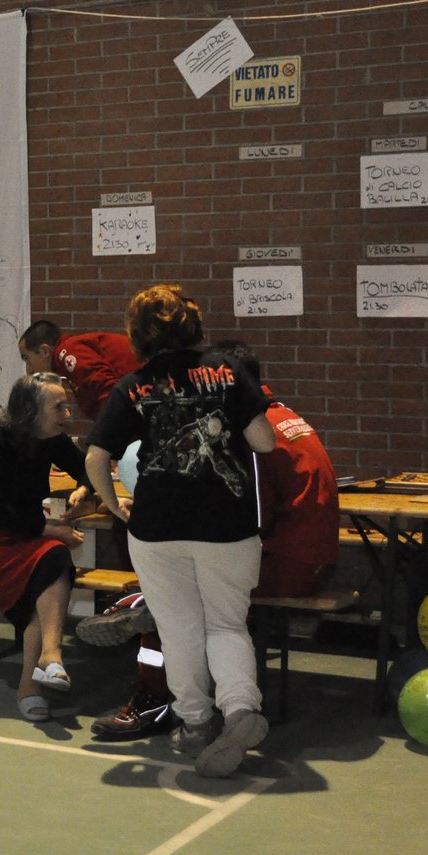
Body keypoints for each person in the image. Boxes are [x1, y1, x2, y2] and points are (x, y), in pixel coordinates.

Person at [88, 340, 340, 741]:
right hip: (310, 556)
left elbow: (259, 510)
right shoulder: (282, 417)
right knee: (218, 620)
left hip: (285, 563)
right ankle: (238, 711)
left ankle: (170, 709)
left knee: (177, 619)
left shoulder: (247, 431)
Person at [86, 284, 276, 778]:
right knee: (227, 625)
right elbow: (265, 441)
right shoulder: (228, 372)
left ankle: (196, 724)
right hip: (227, 526)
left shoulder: (132, 384)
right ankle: (240, 711)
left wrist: (113, 505)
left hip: (157, 527)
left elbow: (95, 456)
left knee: (179, 630)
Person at [0, 373, 97, 721]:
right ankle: (33, 682)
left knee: (54, 564)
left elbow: (87, 467)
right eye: (58, 406)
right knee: (52, 562)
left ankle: (48, 659)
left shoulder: (52, 438)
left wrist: (83, 489)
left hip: (25, 537)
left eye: (67, 405)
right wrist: (51, 529)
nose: (66, 413)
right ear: (30, 410)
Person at [18, 320, 141, 424]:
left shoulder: (67, 352)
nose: (28, 370)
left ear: (45, 351)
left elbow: (108, 391)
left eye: (27, 358)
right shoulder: (68, 353)